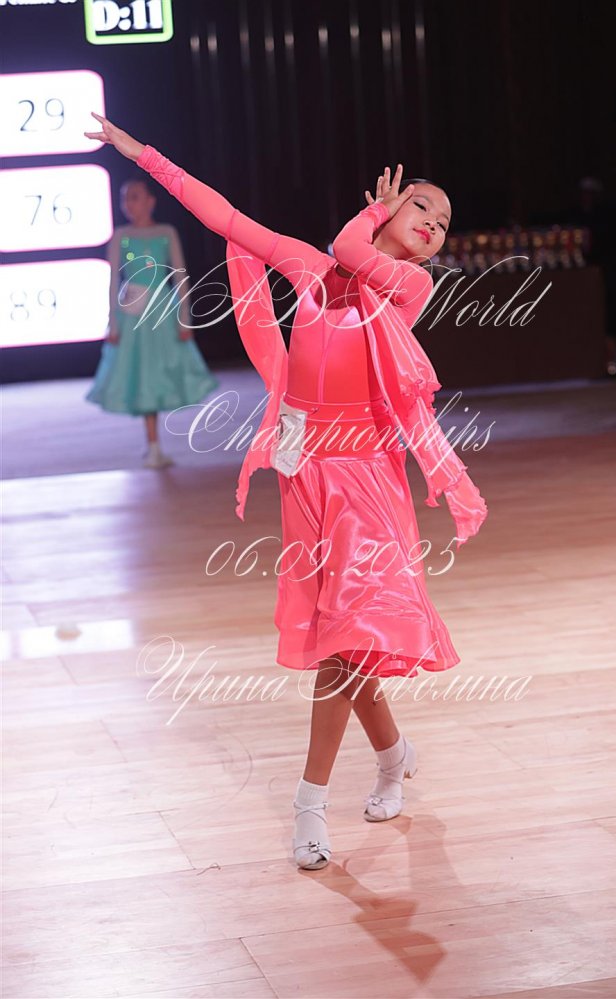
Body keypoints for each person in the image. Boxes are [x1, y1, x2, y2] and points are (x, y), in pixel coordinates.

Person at [84, 111, 488, 870]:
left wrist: (368, 220)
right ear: (388, 206)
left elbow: (350, 250)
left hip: (369, 478)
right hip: (308, 475)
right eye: (422, 207)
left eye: (442, 221)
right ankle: (394, 755)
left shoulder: (409, 283)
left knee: (346, 640)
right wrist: (138, 150)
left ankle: (310, 802)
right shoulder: (306, 265)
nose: (434, 224)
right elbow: (221, 213)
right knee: (345, 642)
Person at [85, 171, 218, 467]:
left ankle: (156, 445)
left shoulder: (166, 232)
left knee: (162, 370)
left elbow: (180, 276)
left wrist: (184, 317)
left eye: (134, 197)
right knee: (141, 373)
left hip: (162, 311)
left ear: (150, 201)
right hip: (133, 315)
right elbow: (113, 280)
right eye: (125, 199)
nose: (128, 204)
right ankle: (153, 445)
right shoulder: (121, 236)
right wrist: (113, 322)